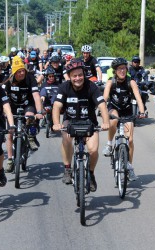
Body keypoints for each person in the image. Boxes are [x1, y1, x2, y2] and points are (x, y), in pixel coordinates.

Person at [52, 58, 110, 191]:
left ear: (84, 74)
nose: (78, 78)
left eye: (80, 75)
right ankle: (67, 169)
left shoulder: (92, 86)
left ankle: (90, 173)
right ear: (70, 76)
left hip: (89, 122)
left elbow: (102, 105)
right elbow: (56, 107)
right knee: (66, 139)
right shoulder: (64, 87)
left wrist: (106, 122)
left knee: (93, 150)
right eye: (74, 76)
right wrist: (56, 123)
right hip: (70, 121)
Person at [102, 57, 146, 181]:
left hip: (126, 111)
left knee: (130, 140)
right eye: (119, 69)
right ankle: (109, 144)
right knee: (114, 119)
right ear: (115, 71)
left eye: (124, 68)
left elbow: (138, 98)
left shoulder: (130, 82)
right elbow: (105, 97)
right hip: (113, 108)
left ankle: (129, 166)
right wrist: (102, 110)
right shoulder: (111, 82)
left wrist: (142, 111)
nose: (122, 71)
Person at [3, 56, 44, 172]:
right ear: (13, 72)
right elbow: (2, 98)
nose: (21, 73)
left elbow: (36, 96)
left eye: (23, 71)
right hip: (13, 107)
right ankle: (10, 160)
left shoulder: (30, 78)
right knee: (10, 134)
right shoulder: (8, 80)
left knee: (30, 116)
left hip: (27, 104)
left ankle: (31, 137)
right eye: (18, 71)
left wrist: (39, 112)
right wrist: (4, 112)